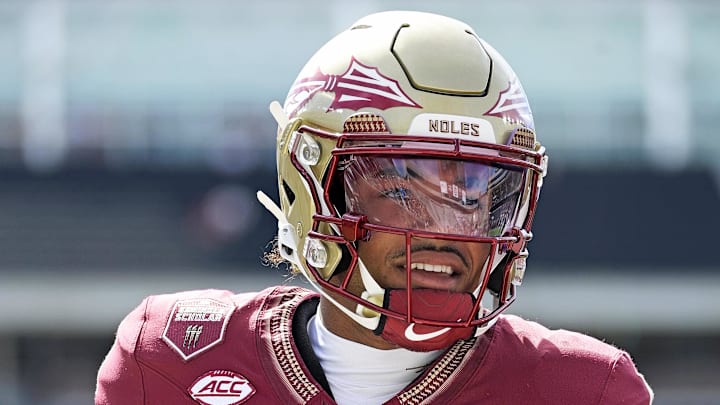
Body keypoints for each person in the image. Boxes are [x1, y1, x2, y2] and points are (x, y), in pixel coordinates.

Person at [95, 10, 653, 404]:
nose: (444, 233)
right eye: (403, 193)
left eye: (471, 196)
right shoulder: (167, 361)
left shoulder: (587, 390)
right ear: (312, 187)